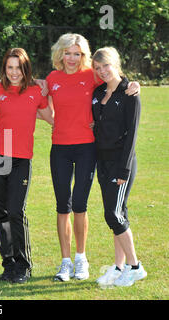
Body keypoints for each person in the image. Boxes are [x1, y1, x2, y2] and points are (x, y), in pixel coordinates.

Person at [45, 33, 140, 282]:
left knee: (79, 204)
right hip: (60, 148)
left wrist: (134, 84)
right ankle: (65, 262)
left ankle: (81, 259)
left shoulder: (92, 75)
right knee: (62, 205)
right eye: (68, 53)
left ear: (84, 56)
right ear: (60, 54)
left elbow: (115, 77)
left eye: (78, 53)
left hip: (88, 148)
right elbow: (36, 99)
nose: (72, 58)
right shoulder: (52, 78)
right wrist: (52, 120)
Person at [0, 48, 54, 283]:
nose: (14, 73)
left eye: (19, 67)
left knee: (16, 211)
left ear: (26, 69)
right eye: (10, 67)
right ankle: (8, 264)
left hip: (21, 159)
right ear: (4, 69)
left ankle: (23, 266)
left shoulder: (36, 91)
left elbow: (53, 118)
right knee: (0, 214)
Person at [91, 47, 146, 287]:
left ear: (116, 64)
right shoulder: (98, 91)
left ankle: (135, 267)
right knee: (118, 213)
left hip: (120, 164)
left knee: (112, 214)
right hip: (101, 161)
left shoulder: (129, 93)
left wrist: (123, 170)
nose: (102, 71)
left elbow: (132, 134)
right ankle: (117, 267)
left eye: (106, 66)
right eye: (98, 68)